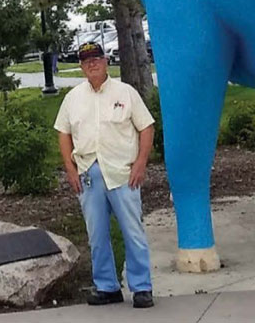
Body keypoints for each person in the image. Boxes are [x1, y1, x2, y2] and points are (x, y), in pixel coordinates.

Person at [54, 41, 155, 308]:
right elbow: (63, 132)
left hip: (123, 172)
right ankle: (107, 286)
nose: (92, 64)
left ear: (106, 61)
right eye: (86, 61)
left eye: (96, 59)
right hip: (88, 173)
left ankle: (142, 287)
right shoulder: (73, 98)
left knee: (132, 231)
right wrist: (69, 168)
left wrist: (141, 163)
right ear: (81, 66)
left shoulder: (126, 92)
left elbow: (146, 128)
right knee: (96, 234)